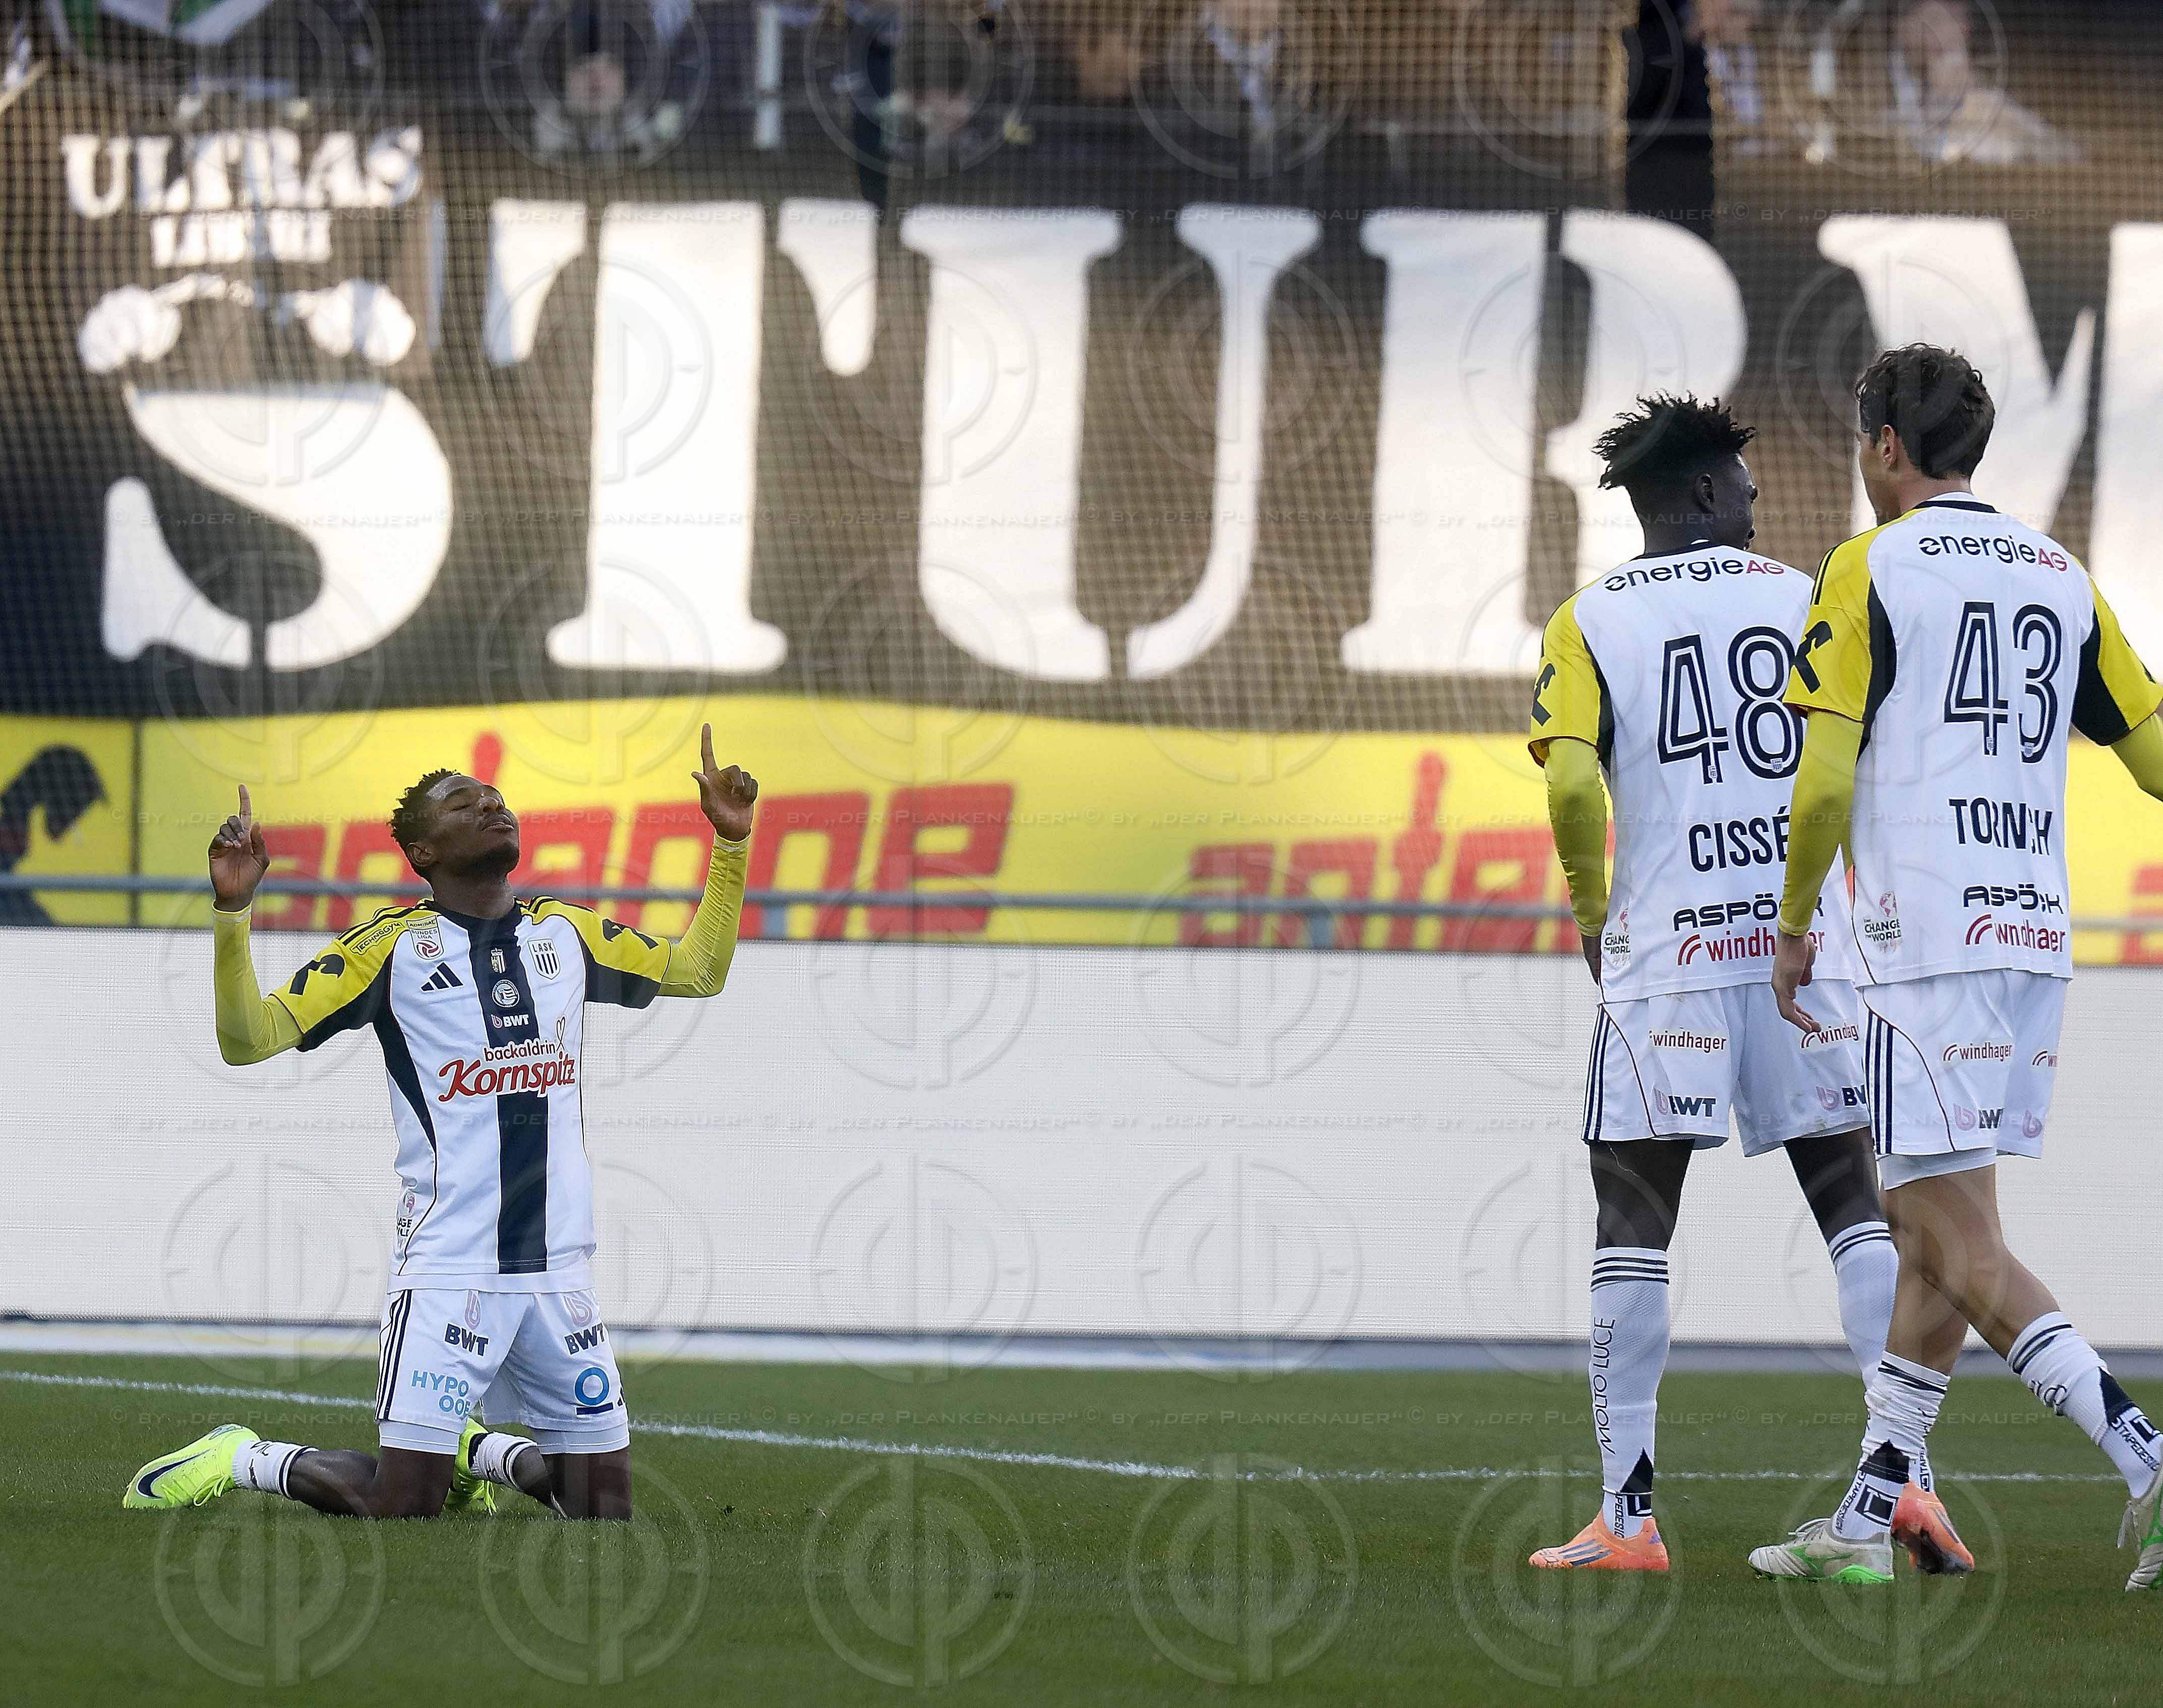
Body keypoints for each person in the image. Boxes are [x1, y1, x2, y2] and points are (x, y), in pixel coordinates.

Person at [1749, 344, 2163, 1590]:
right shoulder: (2059, 573)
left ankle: (2145, 1452)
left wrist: (1792, 922)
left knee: (1941, 1230)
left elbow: (1824, 773)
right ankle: (1872, 1512)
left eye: (1860, 438)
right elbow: (2153, 753)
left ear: (1885, 444)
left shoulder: (1868, 566)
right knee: (1943, 1229)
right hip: (2033, 936)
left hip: (1924, 944)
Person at [121, 725, 757, 1521]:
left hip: (558, 1271)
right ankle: (244, 1456)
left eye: (495, 799)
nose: (492, 807)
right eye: (464, 804)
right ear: (422, 852)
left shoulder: (566, 933)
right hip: (450, 1269)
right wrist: (233, 910)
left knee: (602, 1515)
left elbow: (699, 971)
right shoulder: (388, 950)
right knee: (400, 1508)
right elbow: (248, 1040)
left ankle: (480, 1452)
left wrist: (731, 845)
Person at [1524, 393, 1933, 1574]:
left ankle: (1628, 1519)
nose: (1759, 495)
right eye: (1745, 481)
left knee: (1633, 1220)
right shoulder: (1810, 594)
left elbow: (1570, 788)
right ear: (1705, 490)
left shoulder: (1589, 618)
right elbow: (1863, 763)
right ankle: (1906, 1485)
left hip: (1670, 957)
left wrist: (1592, 915)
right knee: (1855, 1202)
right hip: (1805, 947)